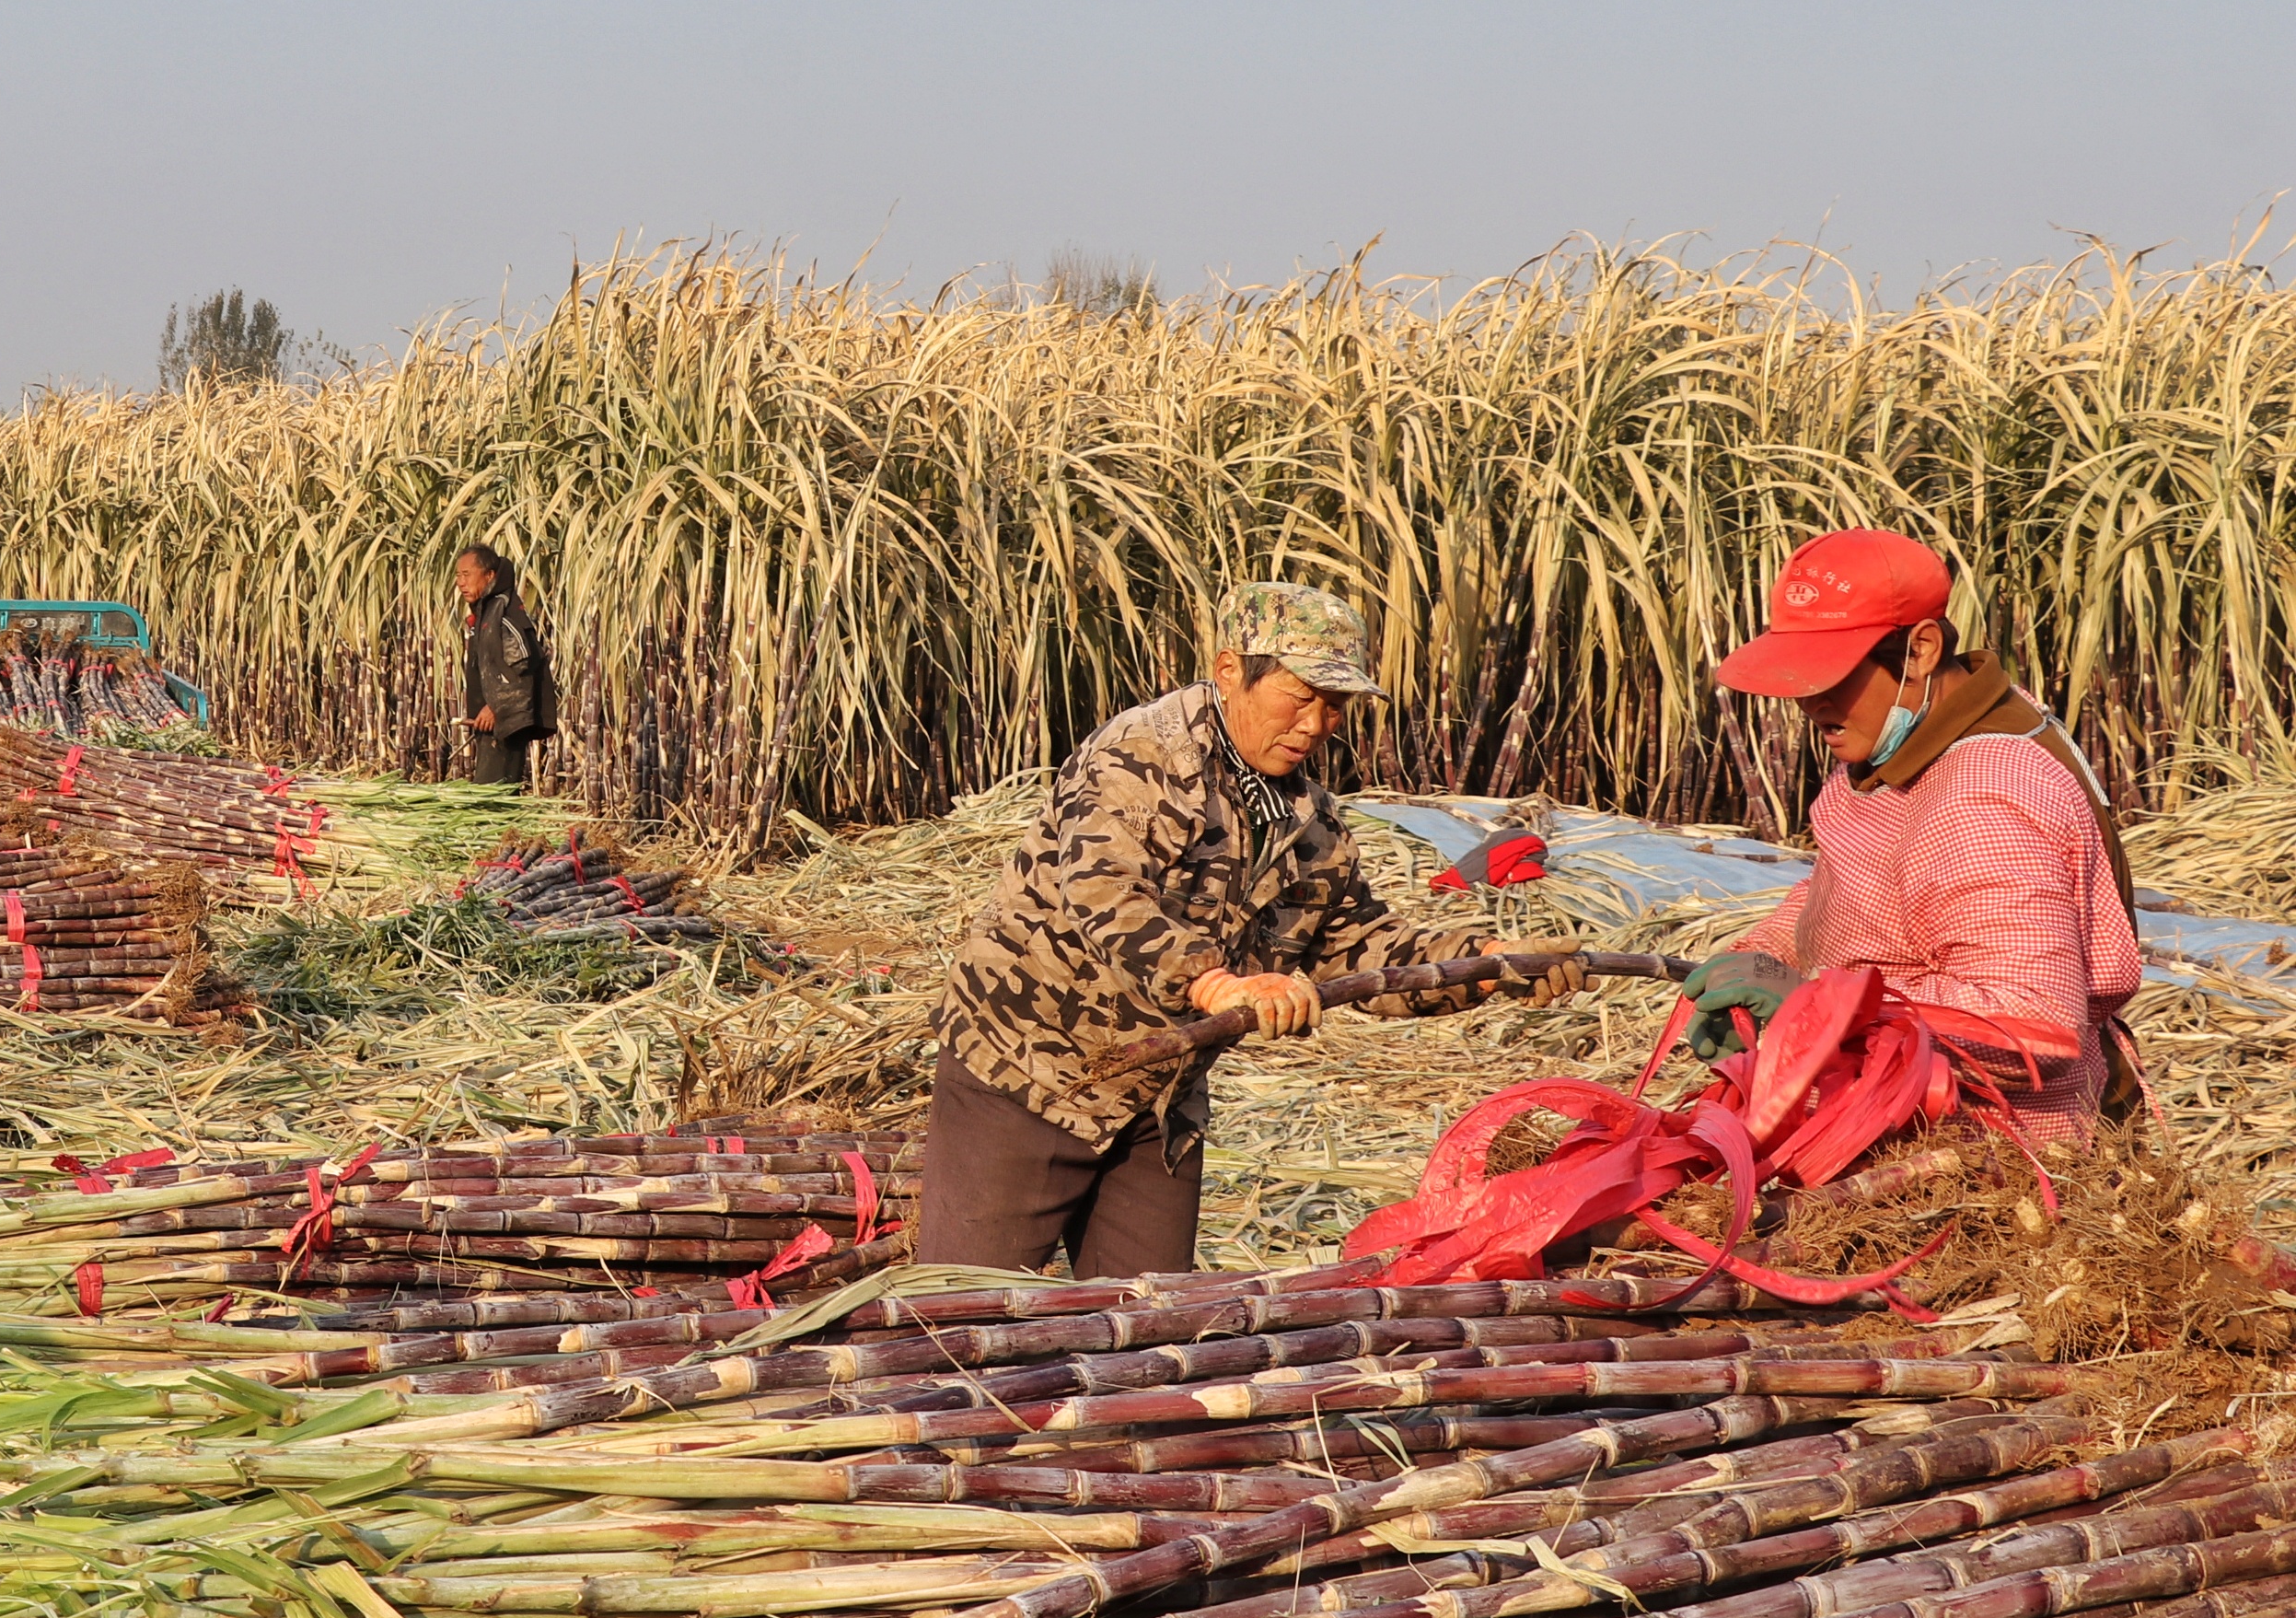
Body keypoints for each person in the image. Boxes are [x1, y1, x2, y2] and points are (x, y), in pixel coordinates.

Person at [917, 581, 1594, 1278]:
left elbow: (1360, 944)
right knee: (961, 1320)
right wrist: (1213, 985)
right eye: (1299, 697)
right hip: (1028, 1071)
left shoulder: (1311, 823)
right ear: (1230, 670)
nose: (1315, 723)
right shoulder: (1143, 756)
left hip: (1158, 1100)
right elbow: (1103, 894)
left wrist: (1489, 963)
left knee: (1148, 1332)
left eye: (1334, 706)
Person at [1686, 527, 2142, 1137]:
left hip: (1991, 1160)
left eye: (1832, 677)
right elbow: (1860, 898)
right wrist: (1759, 959)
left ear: (1921, 650)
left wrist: (1814, 1003)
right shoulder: (1906, 742)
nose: (1808, 702)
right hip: (1894, 1121)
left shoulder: (1983, 796)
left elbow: (2029, 1023)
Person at [458, 545, 554, 786]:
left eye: (467, 574)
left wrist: (495, 708)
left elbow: (523, 664)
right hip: (492, 723)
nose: (460, 582)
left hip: (505, 723)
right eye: (458, 576)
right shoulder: (486, 610)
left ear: (489, 575)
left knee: (490, 801)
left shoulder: (504, 611)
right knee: (492, 799)